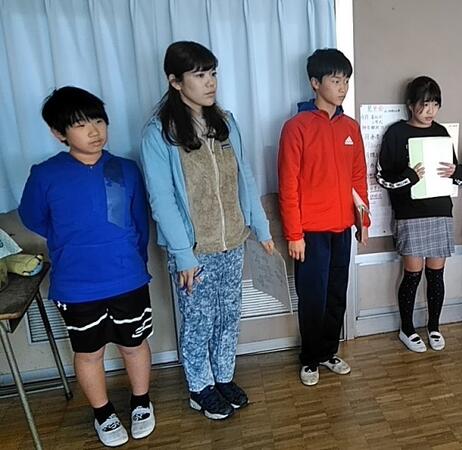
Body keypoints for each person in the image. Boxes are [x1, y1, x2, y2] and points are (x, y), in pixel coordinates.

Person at [140, 41, 274, 419]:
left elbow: (245, 177)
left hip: (232, 240)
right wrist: (183, 255)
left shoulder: (225, 122)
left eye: (213, 73)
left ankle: (223, 377)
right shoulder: (159, 133)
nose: (210, 82)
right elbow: (162, 200)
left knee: (229, 315)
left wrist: (261, 228)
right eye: (199, 75)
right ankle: (200, 387)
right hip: (194, 250)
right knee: (199, 320)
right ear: (175, 81)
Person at [19, 86, 154, 447]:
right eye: (80, 125)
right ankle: (103, 413)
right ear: (58, 133)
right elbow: (33, 218)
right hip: (76, 285)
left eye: (98, 120)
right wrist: (71, 241)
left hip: (128, 277)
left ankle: (141, 402)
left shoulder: (125, 169)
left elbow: (140, 223)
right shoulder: (45, 175)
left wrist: (134, 262)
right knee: (89, 352)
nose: (94, 131)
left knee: (135, 344)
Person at [278, 48, 370, 386]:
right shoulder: (296, 127)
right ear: (315, 83)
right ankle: (310, 358)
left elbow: (358, 179)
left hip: (342, 227)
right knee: (313, 297)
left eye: (346, 81)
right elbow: (288, 184)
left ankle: (330, 352)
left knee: (336, 293)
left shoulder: (350, 127)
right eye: (335, 80)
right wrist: (294, 234)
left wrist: (363, 222)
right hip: (310, 233)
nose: (342, 87)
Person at [377, 76, 462, 352]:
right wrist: (410, 177)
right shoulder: (396, 133)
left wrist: (457, 172)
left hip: (440, 210)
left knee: (436, 275)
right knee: (412, 274)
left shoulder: (441, 131)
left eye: (435, 104)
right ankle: (407, 328)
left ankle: (434, 327)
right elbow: (382, 178)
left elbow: (456, 173)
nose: (430, 111)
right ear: (410, 105)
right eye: (424, 104)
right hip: (410, 213)